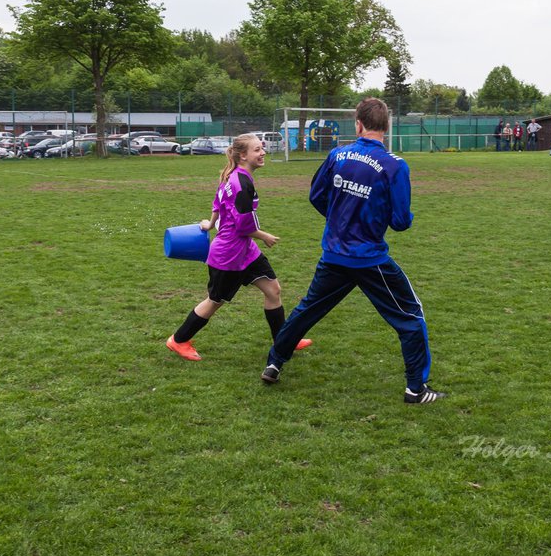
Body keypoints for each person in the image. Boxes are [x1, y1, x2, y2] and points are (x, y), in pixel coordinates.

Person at [260, 98, 440, 404]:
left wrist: (340, 219)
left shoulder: (337, 154)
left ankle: (274, 362)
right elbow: (400, 221)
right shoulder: (394, 165)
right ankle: (416, 389)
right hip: (369, 259)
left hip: (334, 253)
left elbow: (316, 195)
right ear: (387, 126)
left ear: (358, 124)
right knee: (411, 315)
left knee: (307, 310)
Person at [167, 134, 311, 362]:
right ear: (243, 155)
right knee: (214, 302)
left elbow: (218, 203)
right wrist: (265, 236)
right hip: (228, 255)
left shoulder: (233, 176)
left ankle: (283, 341)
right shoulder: (241, 182)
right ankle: (178, 340)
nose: (262, 152)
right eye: (257, 150)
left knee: (273, 290)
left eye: (262, 148)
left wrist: (211, 222)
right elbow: (244, 225)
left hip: (246, 251)